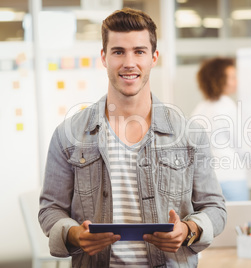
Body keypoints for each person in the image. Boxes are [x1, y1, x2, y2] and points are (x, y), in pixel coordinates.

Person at [39, 8, 226, 268]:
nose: (129, 62)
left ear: (154, 57)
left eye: (139, 51)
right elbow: (50, 209)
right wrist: (75, 235)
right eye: (118, 52)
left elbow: (215, 208)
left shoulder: (189, 134)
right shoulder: (68, 135)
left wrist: (188, 230)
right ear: (104, 58)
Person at [191, 57, 251, 201]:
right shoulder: (227, 106)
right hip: (231, 178)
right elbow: (244, 149)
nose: (236, 82)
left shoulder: (199, 109)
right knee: (237, 223)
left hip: (206, 181)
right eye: (232, 77)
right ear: (220, 80)